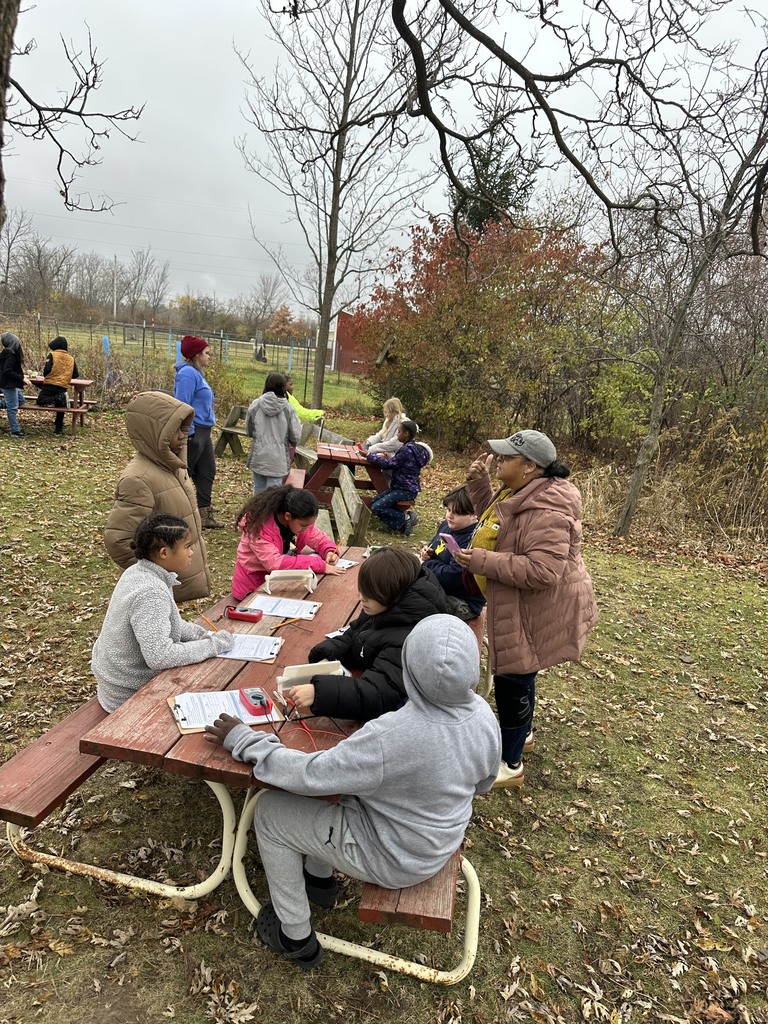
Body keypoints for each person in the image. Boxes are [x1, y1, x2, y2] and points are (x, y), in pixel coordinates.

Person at [204, 614, 501, 970]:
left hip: (394, 857)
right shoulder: (483, 716)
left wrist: (246, 741)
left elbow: (311, 775)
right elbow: (482, 784)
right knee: (346, 792)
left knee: (270, 813)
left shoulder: (391, 735)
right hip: (438, 842)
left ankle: (295, 936)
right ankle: (319, 882)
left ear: (408, 666)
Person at [451, 429, 597, 789]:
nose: (499, 460)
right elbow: (501, 522)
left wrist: (483, 561)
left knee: (513, 679)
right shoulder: (523, 491)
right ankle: (524, 735)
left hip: (536, 607)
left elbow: (544, 570)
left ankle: (510, 762)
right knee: (522, 673)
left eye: (506, 457)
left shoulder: (548, 510)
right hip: (520, 603)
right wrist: (479, 485)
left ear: (529, 466)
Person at [285, 545, 448, 720]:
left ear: (394, 595)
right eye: (362, 590)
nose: (361, 597)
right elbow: (356, 633)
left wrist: (319, 693)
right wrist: (327, 655)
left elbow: (378, 695)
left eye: (369, 594)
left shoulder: (407, 639)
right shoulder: (383, 607)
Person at [93, 514, 234, 712]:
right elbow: (160, 656)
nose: (192, 552)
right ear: (164, 553)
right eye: (186, 546)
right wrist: (213, 646)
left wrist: (201, 635)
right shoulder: (150, 592)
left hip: (116, 682)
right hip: (127, 693)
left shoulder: (140, 572)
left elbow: (171, 622)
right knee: (219, 689)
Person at [104, 391, 211, 601]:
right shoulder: (139, 479)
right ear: (153, 433)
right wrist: (156, 578)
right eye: (174, 430)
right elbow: (119, 540)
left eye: (183, 428)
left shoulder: (175, 466)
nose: (182, 435)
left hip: (177, 583)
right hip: (160, 592)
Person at [232, 484, 345, 601]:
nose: (306, 529)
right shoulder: (258, 528)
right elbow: (275, 563)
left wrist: (329, 551)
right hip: (252, 589)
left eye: (309, 525)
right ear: (288, 516)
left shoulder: (298, 522)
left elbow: (318, 538)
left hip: (276, 584)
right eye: (304, 525)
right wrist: (318, 564)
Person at [174, 334, 224, 529]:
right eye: (206, 353)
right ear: (196, 355)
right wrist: (189, 432)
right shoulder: (187, 374)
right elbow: (182, 404)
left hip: (204, 431)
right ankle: (176, 513)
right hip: (194, 432)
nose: (209, 356)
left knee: (207, 471)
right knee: (183, 474)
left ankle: (204, 514)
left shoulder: (196, 373)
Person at [420, 486, 485, 621]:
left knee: (409, 605)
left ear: (474, 514)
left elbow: (453, 576)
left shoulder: (472, 540)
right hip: (438, 588)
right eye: (449, 510)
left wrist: (426, 564)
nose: (450, 515)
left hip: (461, 602)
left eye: (457, 512)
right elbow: (435, 547)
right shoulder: (447, 525)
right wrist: (428, 553)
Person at [367, 419, 429, 537]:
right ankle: (403, 522)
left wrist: (370, 456)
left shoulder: (407, 450)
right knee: (373, 502)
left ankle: (405, 520)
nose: (397, 434)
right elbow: (398, 461)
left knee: (376, 507)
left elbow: (389, 464)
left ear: (406, 434)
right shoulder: (413, 448)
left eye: (399, 432)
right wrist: (390, 457)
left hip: (406, 490)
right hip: (400, 487)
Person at [244, 372, 300, 494]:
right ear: (283, 387)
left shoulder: (256, 405)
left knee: (258, 490)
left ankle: (257, 513)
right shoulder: (288, 409)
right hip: (278, 459)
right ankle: (269, 513)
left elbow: (248, 430)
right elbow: (295, 436)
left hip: (259, 455)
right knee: (273, 494)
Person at [34, 336, 79, 435]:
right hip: (63, 386)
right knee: (61, 406)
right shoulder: (71, 359)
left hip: (50, 384)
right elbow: (75, 374)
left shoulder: (52, 355)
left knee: (40, 401)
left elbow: (46, 370)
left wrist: (47, 376)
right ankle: (58, 429)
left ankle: (56, 398)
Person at [0, 332, 31, 438]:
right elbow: (7, 371)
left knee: (20, 401)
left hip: (8, 383)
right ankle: (15, 431)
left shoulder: (5, 353)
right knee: (12, 407)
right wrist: (22, 378)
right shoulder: (10, 356)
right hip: (8, 384)